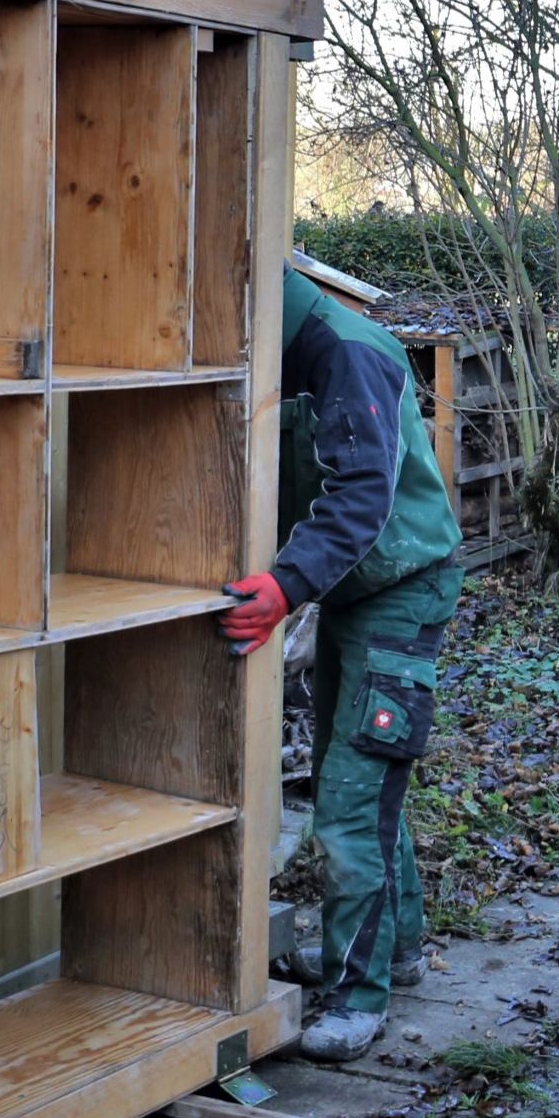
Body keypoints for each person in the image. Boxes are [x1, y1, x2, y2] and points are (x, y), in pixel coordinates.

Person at [219, 264, 463, 1061]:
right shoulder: (297, 355)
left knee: (355, 796)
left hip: (401, 588)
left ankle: (359, 996)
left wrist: (285, 587)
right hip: (359, 590)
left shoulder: (346, 353)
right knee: (352, 778)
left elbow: (360, 494)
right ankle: (393, 951)